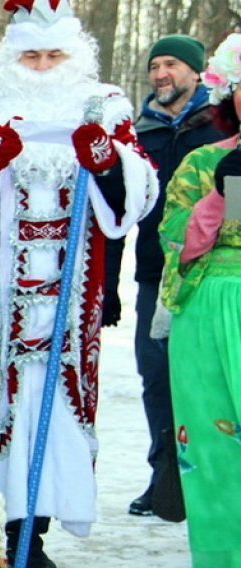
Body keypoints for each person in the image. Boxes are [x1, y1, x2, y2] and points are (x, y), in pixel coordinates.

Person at [0, 0, 158, 568]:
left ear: (74, 54)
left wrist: (106, 162)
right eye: (30, 54)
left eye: (54, 54)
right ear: (12, 54)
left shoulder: (102, 105)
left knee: (55, 404)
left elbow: (140, 187)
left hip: (69, 296)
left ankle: (36, 529)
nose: (41, 65)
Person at [108, 35, 216, 517]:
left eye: (171, 64)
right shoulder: (140, 135)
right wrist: (108, 287)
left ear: (197, 71)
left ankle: (213, 479)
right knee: (158, 380)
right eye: (154, 65)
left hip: (215, 279)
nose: (160, 74)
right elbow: (115, 215)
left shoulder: (219, 128)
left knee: (210, 380)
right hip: (156, 277)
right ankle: (166, 479)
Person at [156, 32, 241, 568]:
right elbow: (177, 238)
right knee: (210, 449)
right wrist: (223, 198)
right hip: (210, 305)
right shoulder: (205, 161)